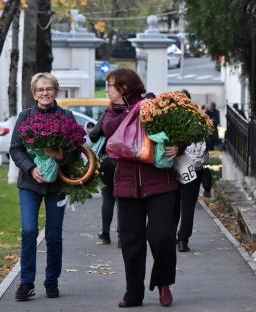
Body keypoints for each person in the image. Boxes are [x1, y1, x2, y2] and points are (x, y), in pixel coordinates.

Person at [102, 68, 179, 308]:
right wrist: (132, 112)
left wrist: (179, 146)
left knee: (162, 236)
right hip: (127, 185)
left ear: (124, 88)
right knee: (130, 240)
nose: (106, 90)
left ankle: (163, 282)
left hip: (160, 183)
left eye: (110, 85)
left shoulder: (153, 106)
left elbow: (178, 130)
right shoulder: (112, 112)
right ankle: (133, 292)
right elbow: (109, 130)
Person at [9, 72, 80, 301]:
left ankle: (51, 281)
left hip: (57, 185)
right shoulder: (26, 117)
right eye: (40, 90)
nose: (44, 93)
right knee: (29, 231)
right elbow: (15, 149)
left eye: (48, 89)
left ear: (55, 91)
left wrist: (60, 156)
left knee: (54, 235)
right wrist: (31, 168)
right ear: (34, 93)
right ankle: (26, 282)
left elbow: (76, 151)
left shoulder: (66, 116)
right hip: (30, 183)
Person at [173, 90, 209, 252]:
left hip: (174, 166)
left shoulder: (170, 119)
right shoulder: (199, 118)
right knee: (188, 206)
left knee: (173, 203)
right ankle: (183, 239)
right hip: (194, 167)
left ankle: (171, 235)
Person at [89, 112, 119, 246]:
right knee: (124, 198)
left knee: (108, 198)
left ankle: (105, 234)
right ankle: (122, 235)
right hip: (126, 159)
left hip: (106, 160)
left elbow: (93, 135)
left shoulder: (109, 112)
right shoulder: (132, 109)